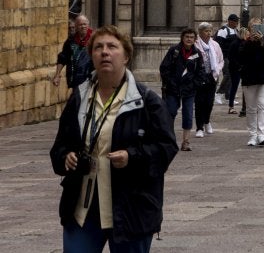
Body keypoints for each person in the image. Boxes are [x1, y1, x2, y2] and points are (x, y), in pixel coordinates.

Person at [50, 24, 179, 253]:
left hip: (130, 209)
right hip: (83, 210)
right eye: (98, 47)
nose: (105, 52)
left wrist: (132, 156)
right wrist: (65, 157)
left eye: (112, 47)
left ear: (126, 55)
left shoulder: (146, 101)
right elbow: (60, 147)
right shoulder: (79, 98)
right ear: (91, 55)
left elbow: (166, 148)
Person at [158, 27, 205, 152]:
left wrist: (194, 84)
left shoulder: (197, 53)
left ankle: (186, 141)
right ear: (182, 38)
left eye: (191, 37)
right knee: (171, 112)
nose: (189, 39)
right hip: (173, 89)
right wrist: (171, 82)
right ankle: (170, 139)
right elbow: (164, 68)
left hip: (189, 90)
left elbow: (201, 72)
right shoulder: (174, 51)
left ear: (195, 39)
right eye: (187, 37)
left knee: (188, 115)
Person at [238, 27, 264, 147]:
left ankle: (261, 134)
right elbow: (241, 58)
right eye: (253, 28)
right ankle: (252, 135)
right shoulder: (245, 43)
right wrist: (250, 42)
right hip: (250, 79)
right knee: (251, 108)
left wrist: (262, 43)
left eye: (259, 28)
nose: (256, 32)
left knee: (263, 104)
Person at [193, 22, 223, 139]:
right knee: (200, 102)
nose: (209, 33)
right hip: (199, 77)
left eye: (210, 31)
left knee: (209, 102)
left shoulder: (215, 45)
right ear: (200, 33)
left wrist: (217, 70)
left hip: (212, 76)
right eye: (206, 31)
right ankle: (199, 127)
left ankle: (207, 121)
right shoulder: (195, 45)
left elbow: (221, 60)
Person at [52, 13, 93, 91]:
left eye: (85, 24)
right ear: (76, 27)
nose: (83, 26)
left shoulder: (94, 39)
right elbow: (63, 57)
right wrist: (57, 75)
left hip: (89, 79)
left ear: (88, 25)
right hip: (75, 79)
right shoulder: (71, 40)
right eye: (80, 25)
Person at [214, 13, 241, 109]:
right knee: (228, 74)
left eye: (237, 21)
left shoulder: (235, 31)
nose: (236, 23)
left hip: (233, 57)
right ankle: (219, 93)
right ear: (230, 21)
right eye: (235, 22)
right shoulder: (223, 31)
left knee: (232, 75)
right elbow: (218, 44)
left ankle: (228, 96)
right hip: (224, 56)